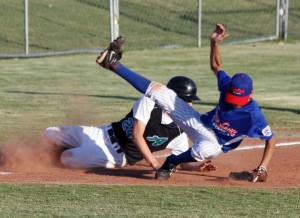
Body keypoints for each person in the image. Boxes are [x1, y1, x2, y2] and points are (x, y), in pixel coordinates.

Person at [95, 23, 276, 181]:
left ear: (250, 94)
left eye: (239, 100)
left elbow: (271, 139)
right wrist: (214, 42)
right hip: (197, 122)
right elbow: (216, 66)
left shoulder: (254, 116)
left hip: (215, 141)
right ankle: (113, 63)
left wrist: (262, 168)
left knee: (210, 149)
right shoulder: (227, 85)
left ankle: (171, 162)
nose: (235, 103)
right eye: (232, 98)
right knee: (160, 91)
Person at [43, 76, 216, 173]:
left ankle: (48, 161)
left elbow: (183, 162)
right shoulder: (150, 102)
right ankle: (47, 155)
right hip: (102, 133)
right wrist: (155, 165)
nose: (190, 104)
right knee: (50, 132)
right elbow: (137, 135)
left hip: (116, 155)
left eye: (191, 100)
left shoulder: (179, 130)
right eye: (186, 100)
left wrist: (197, 167)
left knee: (68, 157)